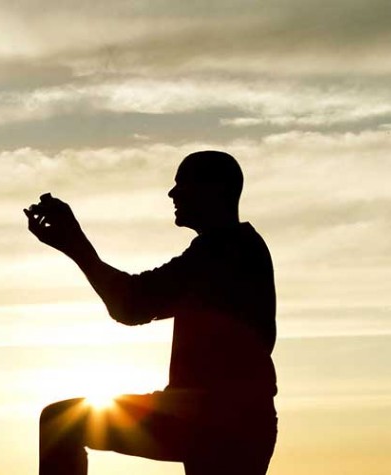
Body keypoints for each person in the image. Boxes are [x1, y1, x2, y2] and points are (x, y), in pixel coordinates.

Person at [24, 151, 278, 475]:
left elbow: (131, 304)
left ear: (214, 190)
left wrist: (75, 244)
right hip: (218, 419)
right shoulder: (234, 249)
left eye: (181, 184)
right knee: (62, 421)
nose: (172, 193)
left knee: (62, 421)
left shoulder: (223, 252)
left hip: (215, 422)